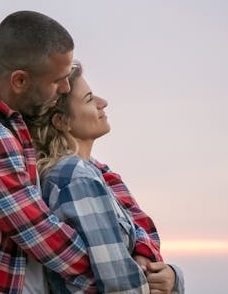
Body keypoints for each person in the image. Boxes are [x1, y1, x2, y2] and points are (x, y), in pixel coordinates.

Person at [0, 11, 96, 294]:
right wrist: (116, 270)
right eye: (58, 79)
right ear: (20, 81)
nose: (66, 88)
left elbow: (100, 174)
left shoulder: (13, 121)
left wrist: (145, 253)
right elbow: (38, 232)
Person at [26, 61, 185, 293]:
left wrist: (170, 276)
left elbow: (133, 238)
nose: (103, 103)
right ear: (62, 121)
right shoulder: (76, 177)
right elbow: (118, 285)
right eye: (90, 99)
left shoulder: (94, 173)